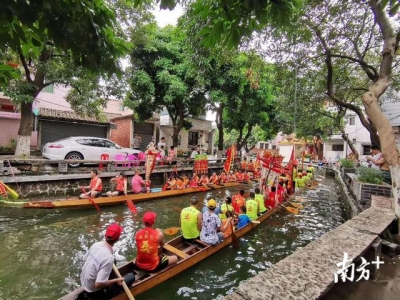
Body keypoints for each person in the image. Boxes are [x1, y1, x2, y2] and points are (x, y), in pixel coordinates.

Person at [80, 223, 135, 300]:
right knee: (132, 277)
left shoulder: (96, 244)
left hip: (84, 283)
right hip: (95, 292)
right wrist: (115, 280)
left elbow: (85, 259)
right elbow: (98, 284)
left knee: (114, 261)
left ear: (105, 235)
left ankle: (108, 281)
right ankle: (108, 290)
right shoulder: (108, 258)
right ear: (118, 239)